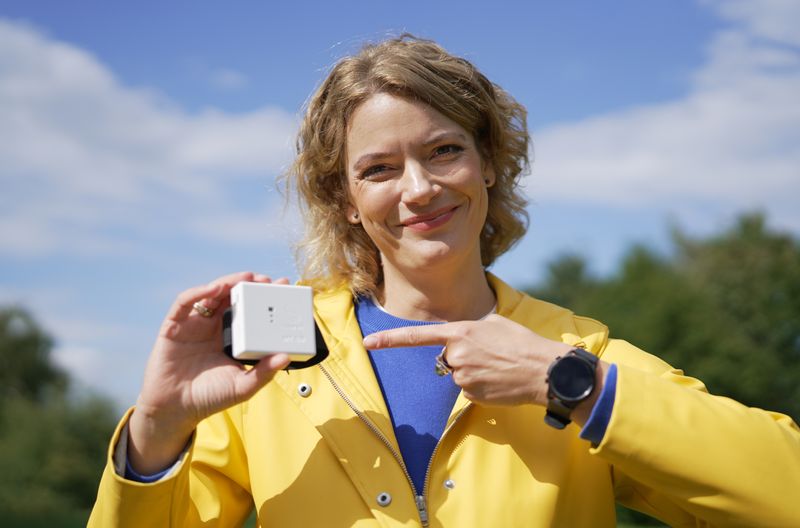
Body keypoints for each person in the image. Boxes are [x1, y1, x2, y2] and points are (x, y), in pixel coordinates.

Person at [89, 35, 800, 527]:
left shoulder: (573, 348)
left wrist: (574, 385)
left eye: (444, 151)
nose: (419, 188)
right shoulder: (273, 362)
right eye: (379, 169)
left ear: (488, 161)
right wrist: (157, 431)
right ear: (343, 198)